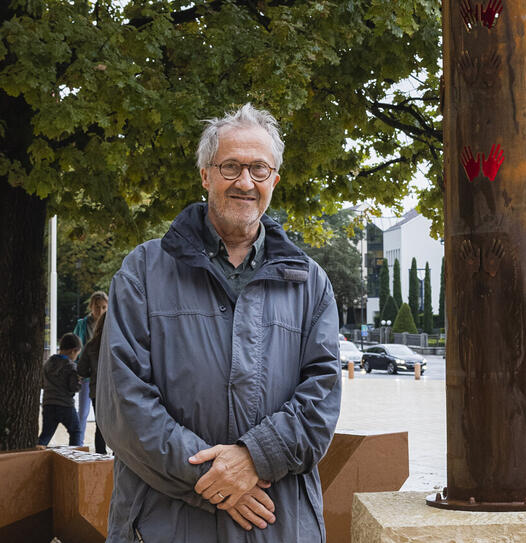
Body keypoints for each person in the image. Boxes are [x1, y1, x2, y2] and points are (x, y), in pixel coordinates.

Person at [97, 103, 342, 542]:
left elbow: (320, 403)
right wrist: (215, 477)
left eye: (259, 169)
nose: (245, 182)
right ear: (206, 175)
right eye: (230, 166)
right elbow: (123, 403)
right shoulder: (142, 273)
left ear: (274, 181)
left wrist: (254, 458)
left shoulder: (310, 283)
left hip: (277, 525)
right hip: (164, 524)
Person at [72, 291, 107, 445]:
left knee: (103, 420)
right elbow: (77, 344)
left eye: (103, 307)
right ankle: (79, 444)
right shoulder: (83, 325)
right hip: (89, 377)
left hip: (99, 380)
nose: (100, 311)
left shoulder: (110, 326)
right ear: (91, 307)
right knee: (83, 413)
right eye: (97, 307)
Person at [38, 333, 83, 446]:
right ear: (73, 350)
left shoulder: (47, 363)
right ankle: (74, 458)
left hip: (48, 404)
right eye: (77, 354)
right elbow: (74, 387)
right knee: (75, 431)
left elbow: (42, 383)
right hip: (65, 405)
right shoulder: (71, 367)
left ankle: (34, 455)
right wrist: (79, 380)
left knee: (46, 434)